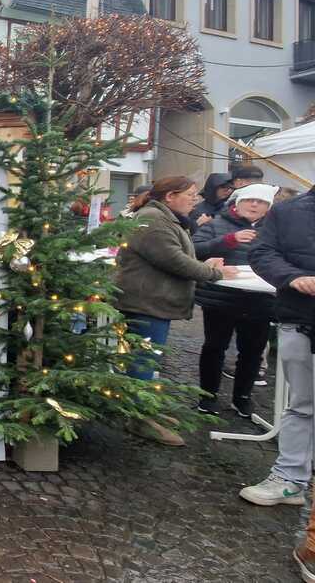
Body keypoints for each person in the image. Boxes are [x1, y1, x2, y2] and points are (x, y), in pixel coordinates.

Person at [115, 176, 236, 446]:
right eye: (190, 194)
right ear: (170, 196)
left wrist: (204, 264)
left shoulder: (162, 217)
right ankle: (138, 418)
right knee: (142, 363)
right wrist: (214, 272)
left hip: (154, 300)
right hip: (146, 302)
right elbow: (173, 260)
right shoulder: (154, 220)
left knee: (147, 360)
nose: (195, 199)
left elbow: (178, 256)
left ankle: (144, 409)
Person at [239, 185, 315, 517]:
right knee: (302, 405)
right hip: (300, 318)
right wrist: (293, 277)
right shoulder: (288, 211)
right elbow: (261, 253)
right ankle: (289, 479)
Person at [191, 183, 278, 418]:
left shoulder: (275, 229)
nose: (254, 204)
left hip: (260, 300)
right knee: (214, 348)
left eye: (261, 202)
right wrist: (228, 240)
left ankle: (242, 398)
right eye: (250, 200)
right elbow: (194, 250)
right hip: (222, 299)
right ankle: (207, 397)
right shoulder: (217, 224)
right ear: (237, 203)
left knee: (252, 351)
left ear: (268, 208)